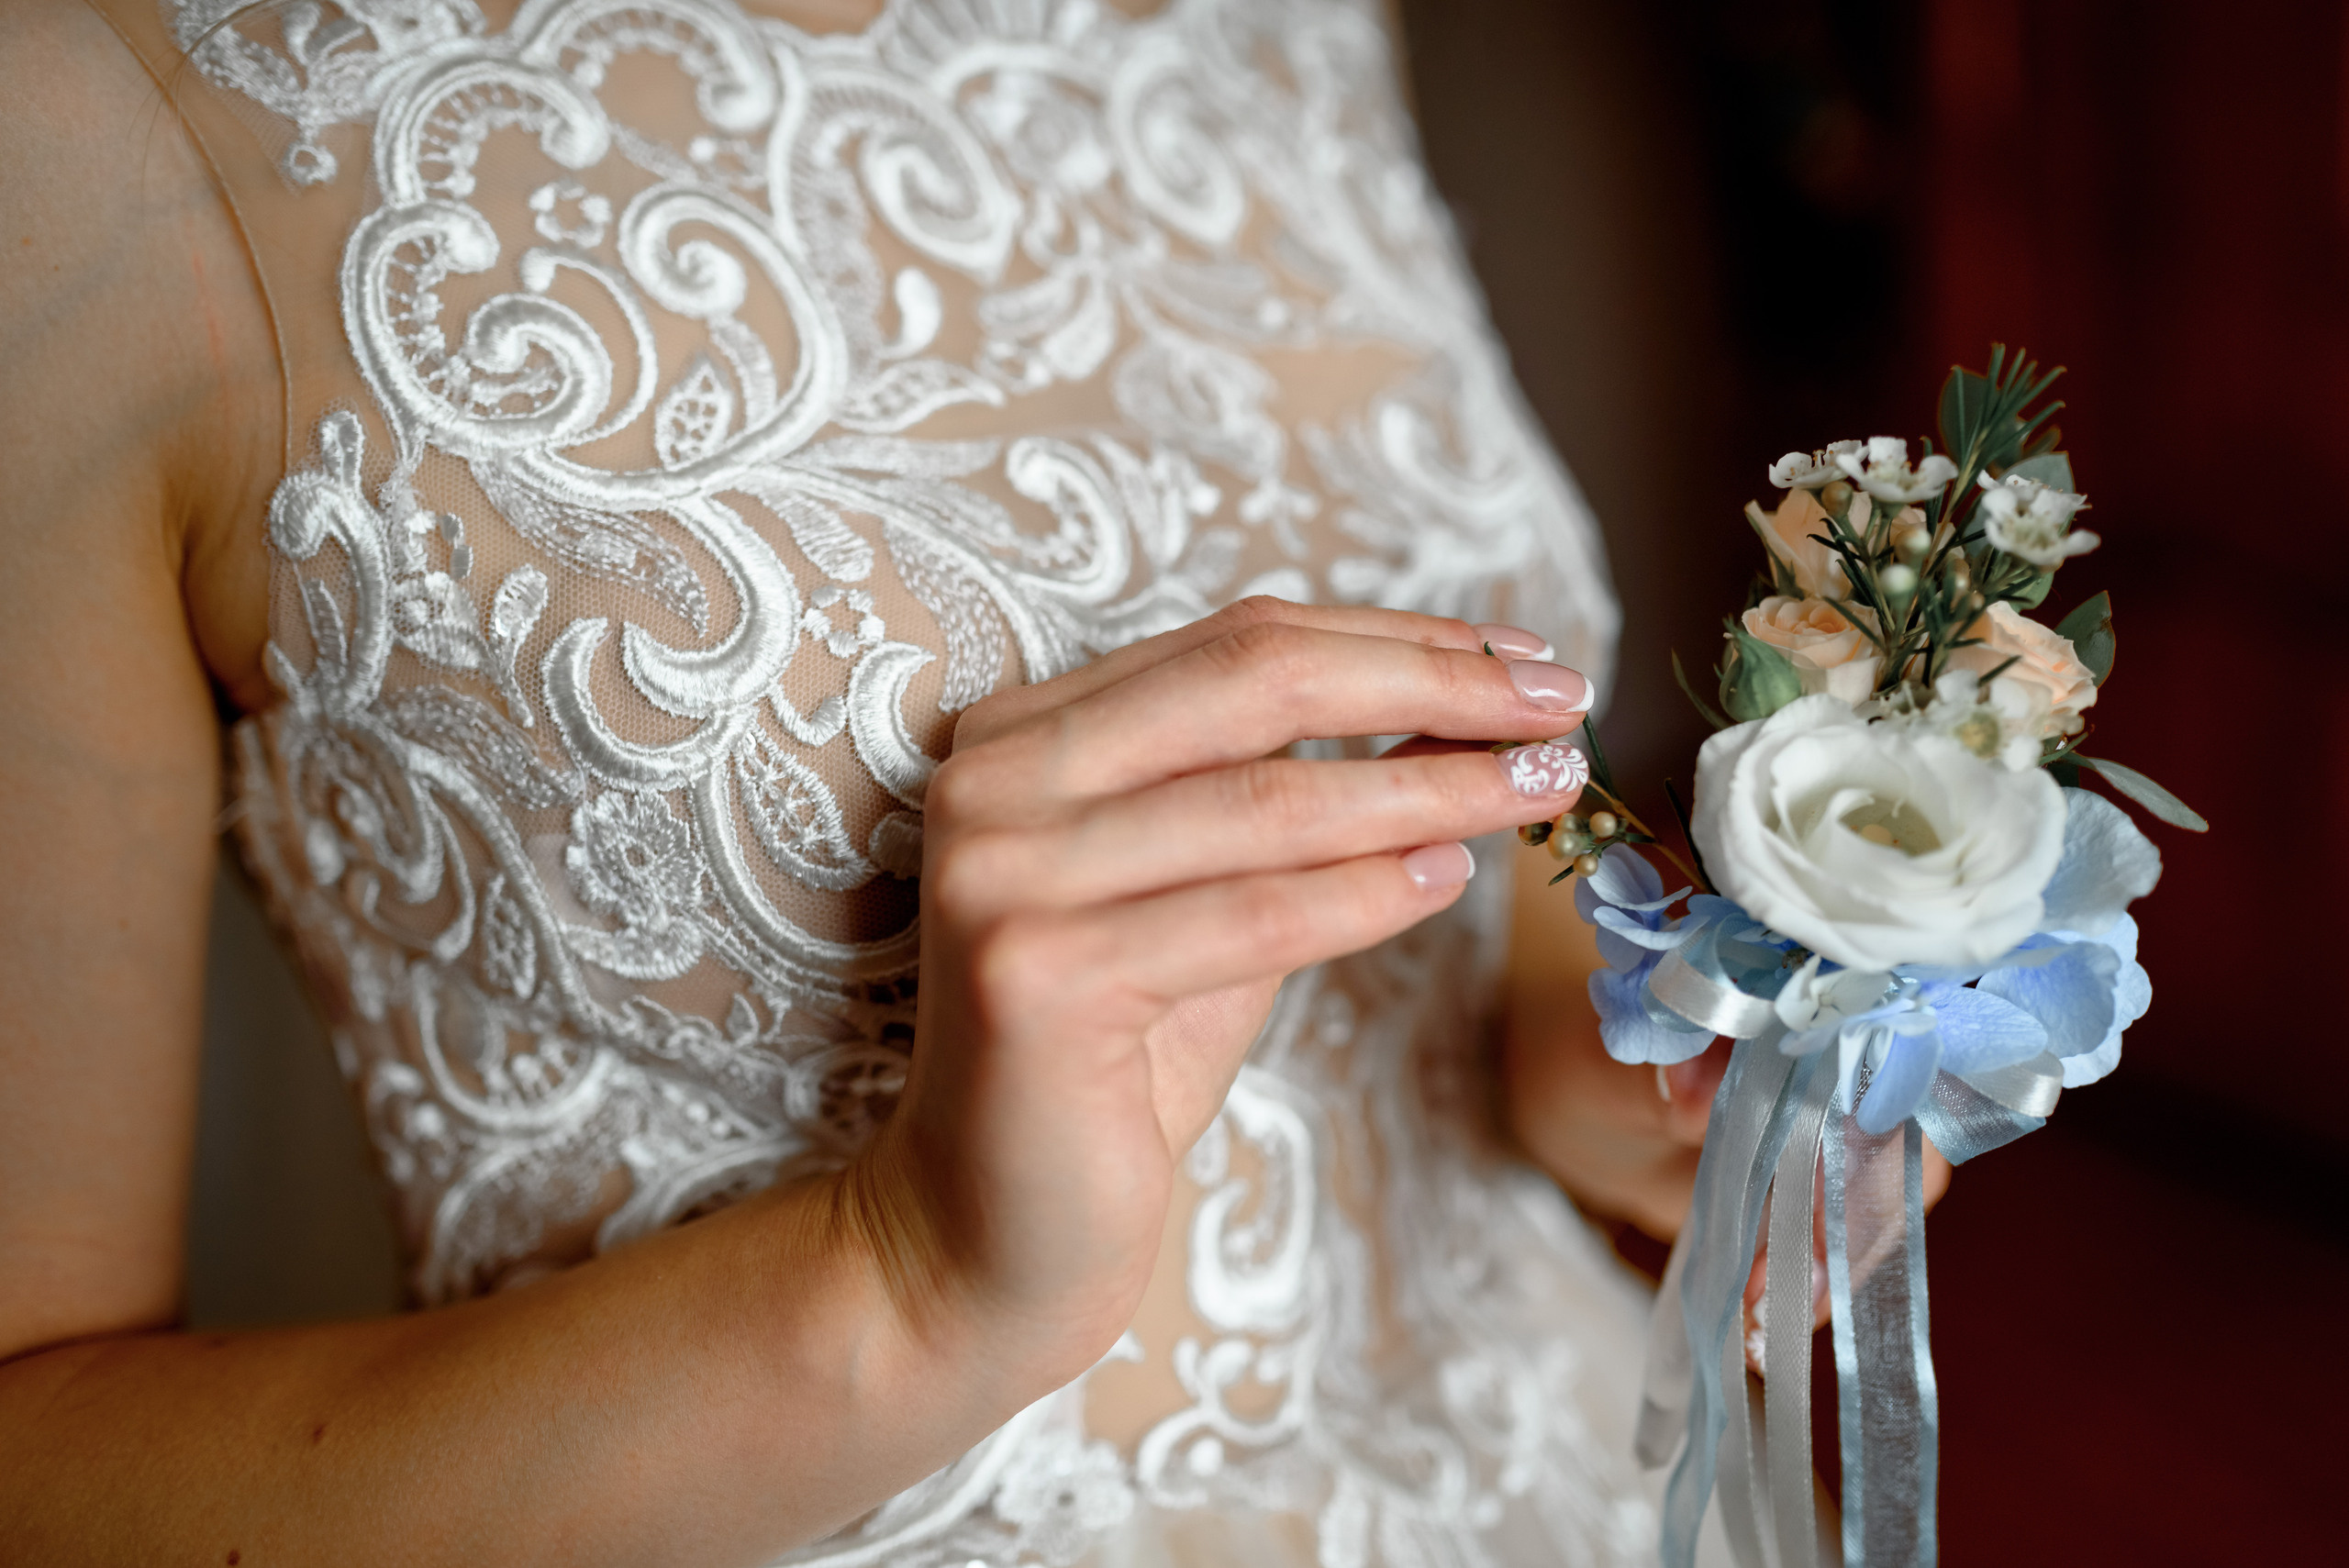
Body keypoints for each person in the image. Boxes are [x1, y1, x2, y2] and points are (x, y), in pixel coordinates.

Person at [0, 1, 1773, 1562]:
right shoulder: (92, 126)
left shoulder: (1296, 18)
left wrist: (1586, 1040)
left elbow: (1451, 838)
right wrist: (906, 1279)